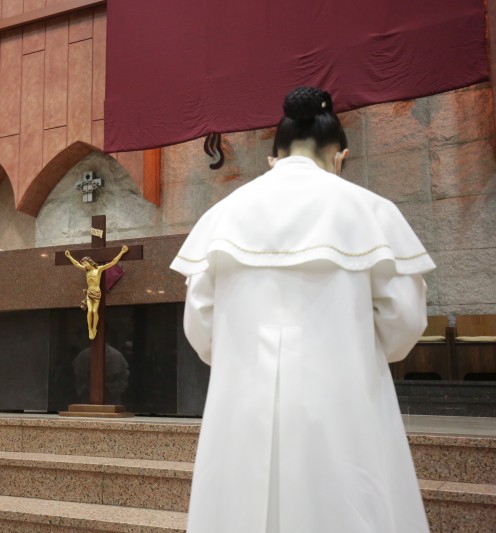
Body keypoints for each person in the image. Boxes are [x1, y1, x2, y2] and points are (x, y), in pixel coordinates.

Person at [171, 87, 434, 533]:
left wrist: (241, 357)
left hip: (242, 407)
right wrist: (357, 349)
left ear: (272, 158)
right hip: (343, 402)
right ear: (339, 157)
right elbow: (404, 324)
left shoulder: (223, 216)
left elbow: (201, 330)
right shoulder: (371, 211)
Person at [65, 245, 129, 339]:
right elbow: (77, 264)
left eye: (86, 263)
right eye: (84, 264)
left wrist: (122, 252)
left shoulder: (98, 269)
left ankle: (94, 328)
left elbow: (113, 262)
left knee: (95, 311)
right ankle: (89, 329)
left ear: (90, 262)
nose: (85, 265)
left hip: (97, 292)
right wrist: (69, 256)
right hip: (89, 293)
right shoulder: (86, 271)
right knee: (90, 310)